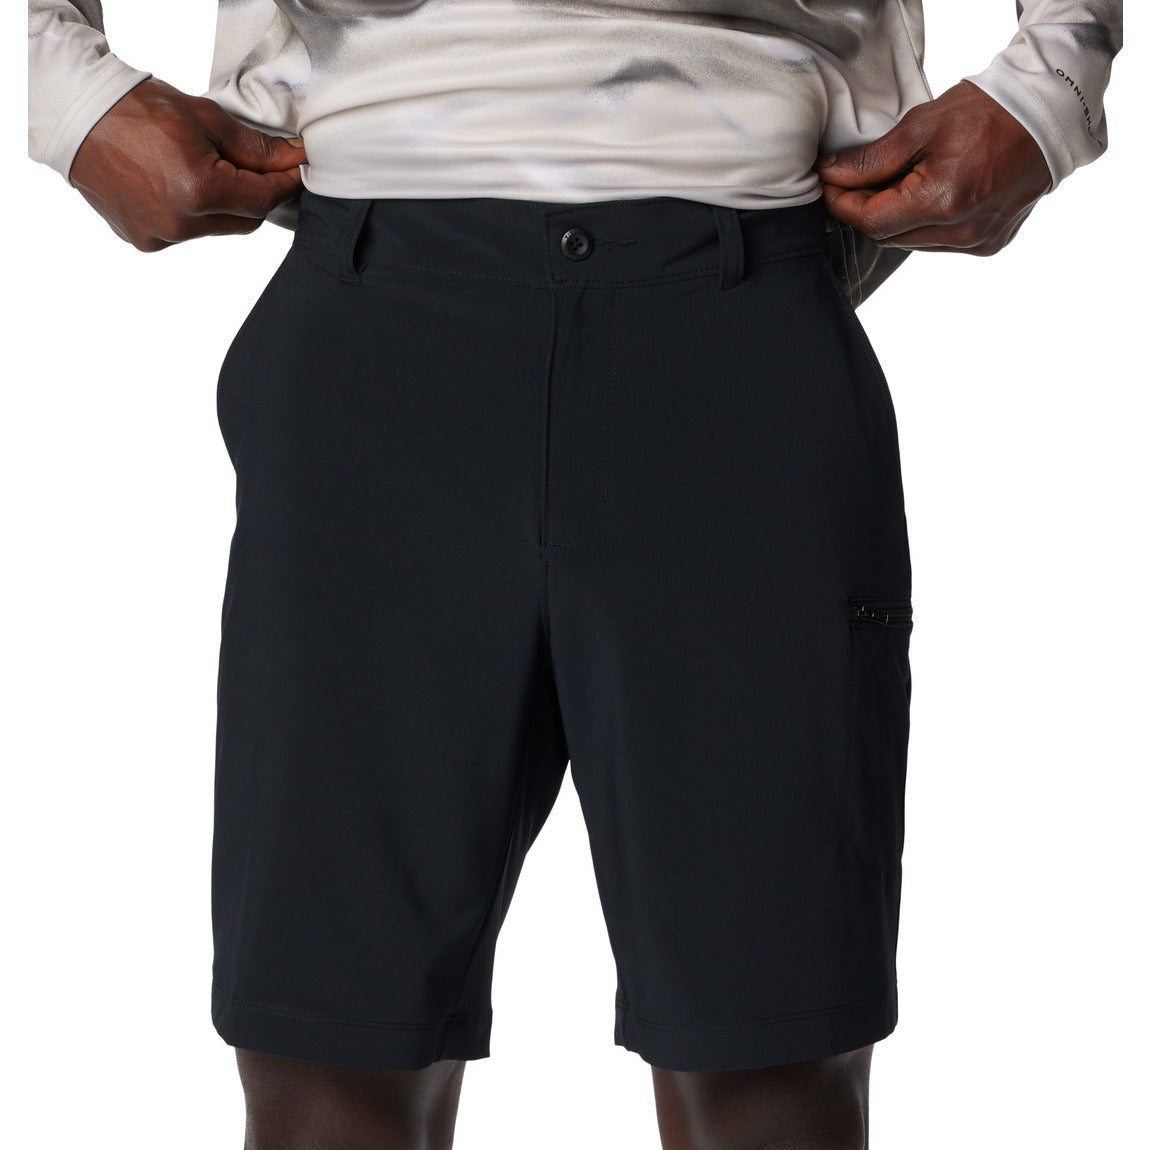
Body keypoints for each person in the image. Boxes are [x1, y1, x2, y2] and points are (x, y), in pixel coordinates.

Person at [27, 3, 1121, 1148]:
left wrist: (1051, 78)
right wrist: (59, 80)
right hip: (379, 302)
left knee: (769, 1069)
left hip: (737, 310)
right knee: (329, 1058)